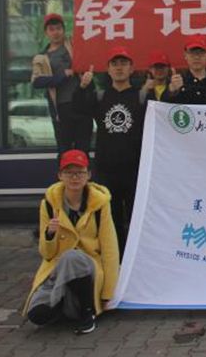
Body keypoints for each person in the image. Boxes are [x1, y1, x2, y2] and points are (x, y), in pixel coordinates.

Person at [24, 149, 119, 335]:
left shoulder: (100, 204)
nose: (75, 178)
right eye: (69, 172)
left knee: (73, 257)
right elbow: (47, 254)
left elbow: (110, 248)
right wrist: (49, 234)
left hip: (89, 266)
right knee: (37, 315)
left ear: (88, 175)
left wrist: (108, 293)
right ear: (60, 175)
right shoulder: (48, 204)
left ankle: (86, 314)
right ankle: (64, 303)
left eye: (80, 172)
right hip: (57, 266)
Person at [73, 46, 145, 255]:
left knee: (136, 218)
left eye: (123, 63)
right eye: (115, 64)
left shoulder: (141, 97)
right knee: (109, 219)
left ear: (131, 68)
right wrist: (82, 87)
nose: (119, 68)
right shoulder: (100, 97)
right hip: (106, 169)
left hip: (134, 169)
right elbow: (77, 109)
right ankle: (114, 259)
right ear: (108, 69)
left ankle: (134, 258)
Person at [31, 13, 92, 153]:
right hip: (61, 108)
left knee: (83, 148)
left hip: (82, 103)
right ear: (46, 32)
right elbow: (37, 81)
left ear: (64, 30)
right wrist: (62, 75)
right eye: (51, 29)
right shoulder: (41, 57)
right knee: (64, 150)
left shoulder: (73, 44)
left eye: (58, 28)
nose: (56, 32)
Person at [163, 36, 206, 105]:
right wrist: (171, 91)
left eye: (201, 53)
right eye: (192, 53)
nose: (196, 57)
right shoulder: (177, 82)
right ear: (185, 55)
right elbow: (162, 106)